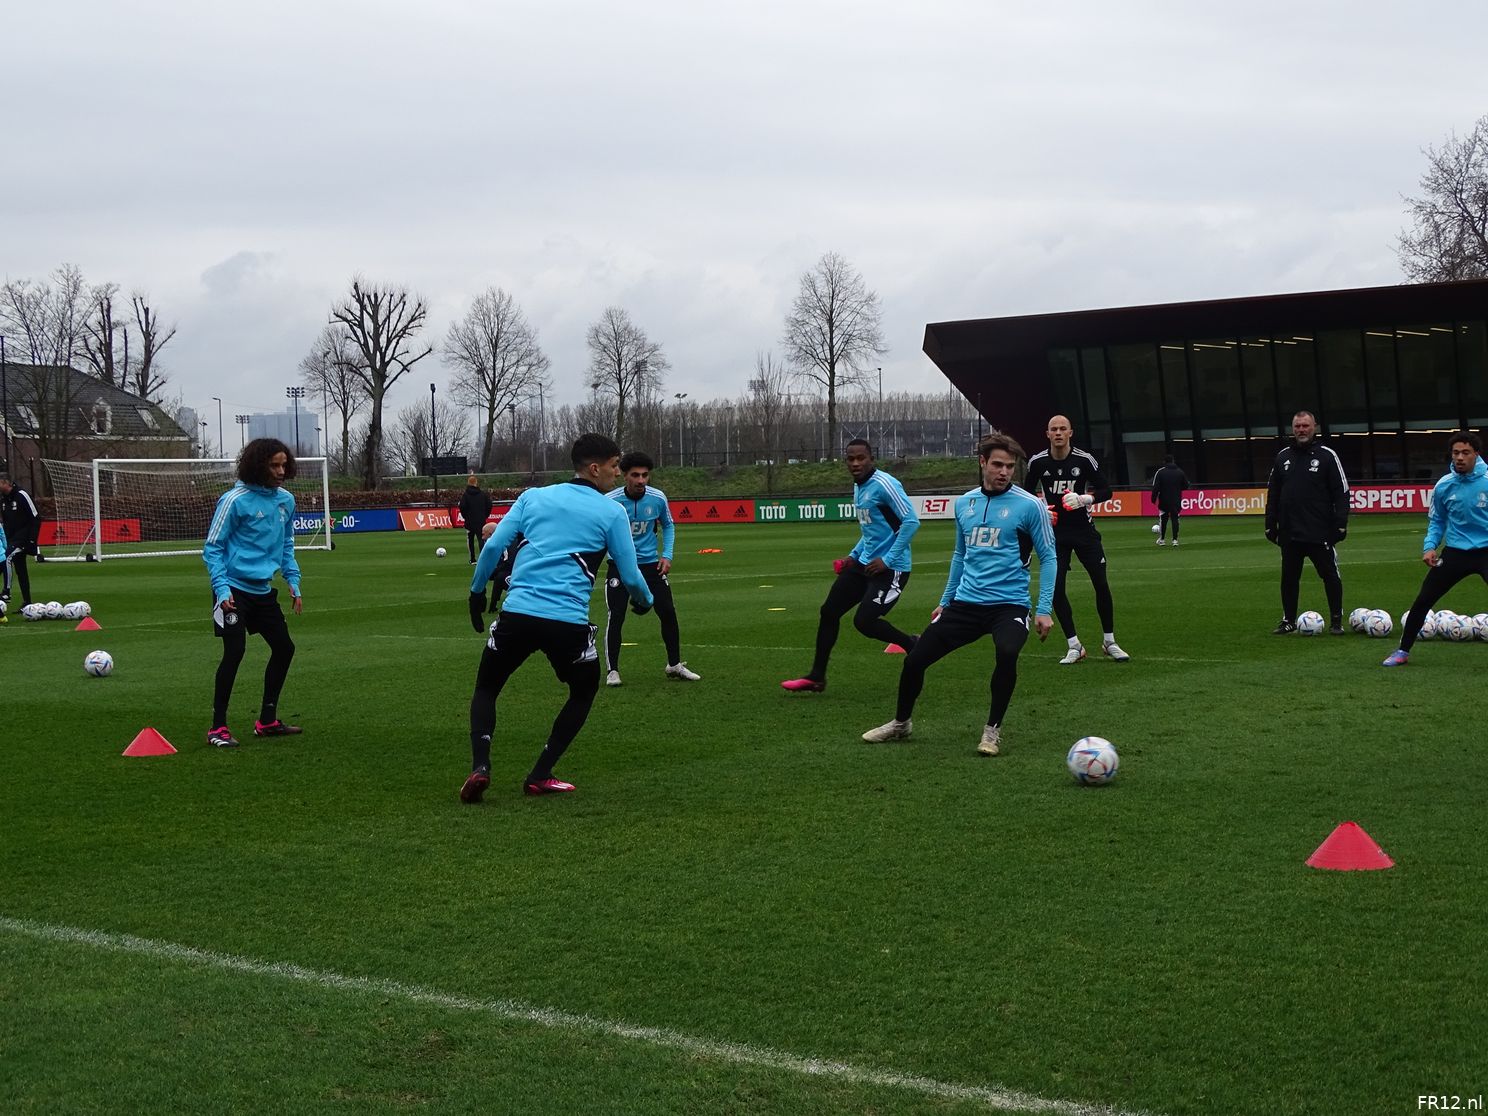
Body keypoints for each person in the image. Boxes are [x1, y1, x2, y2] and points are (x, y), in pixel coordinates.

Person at [459, 433, 653, 802]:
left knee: (487, 688)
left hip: (517, 614)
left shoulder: (533, 497)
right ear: (595, 469)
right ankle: (540, 774)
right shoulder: (612, 511)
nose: (617, 474)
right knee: (582, 691)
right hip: (567, 622)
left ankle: (480, 767)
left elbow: (496, 544)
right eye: (614, 468)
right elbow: (630, 576)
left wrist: (476, 591)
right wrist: (643, 602)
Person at [861, 433, 1055, 754]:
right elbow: (959, 555)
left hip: (1009, 606)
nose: (1004, 471)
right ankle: (900, 724)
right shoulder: (964, 503)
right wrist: (945, 601)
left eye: (1010, 466)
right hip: (965, 605)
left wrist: (1044, 608)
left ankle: (991, 731)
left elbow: (1049, 557)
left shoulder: (1030, 506)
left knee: (1007, 652)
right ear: (982, 462)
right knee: (915, 660)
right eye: (997, 464)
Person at [781, 438, 920, 693]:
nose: (855, 463)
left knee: (865, 622)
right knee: (829, 612)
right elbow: (871, 531)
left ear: (871, 459)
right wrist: (852, 556)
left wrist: (887, 560)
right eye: (850, 459)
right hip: (865, 564)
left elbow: (911, 522)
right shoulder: (859, 487)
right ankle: (817, 677)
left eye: (860, 458)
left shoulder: (885, 485)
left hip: (892, 568)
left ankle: (912, 644)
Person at [202, 439, 304, 748]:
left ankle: (267, 720)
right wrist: (221, 589)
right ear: (257, 465)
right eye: (274, 465)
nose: (281, 471)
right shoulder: (234, 500)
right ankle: (217, 728)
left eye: (284, 464)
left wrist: (293, 580)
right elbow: (213, 548)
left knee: (284, 648)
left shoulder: (286, 500)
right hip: (232, 589)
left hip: (262, 590)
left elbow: (286, 544)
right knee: (235, 652)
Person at [1023, 415, 1130, 664]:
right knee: (1057, 588)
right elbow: (1026, 493)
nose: (1058, 433)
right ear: (1047, 434)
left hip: (1084, 531)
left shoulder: (1084, 460)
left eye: (1063, 429)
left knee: (1101, 584)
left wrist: (1085, 499)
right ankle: (1074, 645)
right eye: (1053, 429)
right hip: (1054, 534)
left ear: (1071, 432)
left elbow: (1106, 490)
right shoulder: (1037, 462)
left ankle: (1110, 641)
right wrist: (1041, 508)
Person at [1382, 432, 1488, 666]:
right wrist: (1430, 547)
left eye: (1465, 453)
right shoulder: (1444, 485)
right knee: (1423, 600)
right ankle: (1402, 651)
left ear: (1476, 454)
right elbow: (1437, 520)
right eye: (1456, 452)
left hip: (1486, 551)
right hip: (1455, 553)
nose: (1460, 457)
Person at [603, 451, 700, 686]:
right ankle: (612, 671)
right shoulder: (610, 500)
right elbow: (599, 531)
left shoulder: (657, 498)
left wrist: (666, 555)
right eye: (635, 475)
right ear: (624, 475)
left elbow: (668, 525)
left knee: (668, 611)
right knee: (616, 615)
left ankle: (674, 665)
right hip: (620, 566)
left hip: (650, 565)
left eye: (645, 475)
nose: (641, 480)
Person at [1264, 410, 1349, 634]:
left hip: (1319, 531)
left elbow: (1341, 491)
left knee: (1330, 575)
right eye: (1297, 426)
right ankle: (1288, 620)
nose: (1301, 430)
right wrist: (1270, 524)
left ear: (1315, 427)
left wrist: (1340, 524)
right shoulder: (1283, 456)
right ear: (1293, 429)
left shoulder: (1327, 455)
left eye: (1305, 426)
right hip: (1290, 531)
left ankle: (1336, 621)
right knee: (1289, 578)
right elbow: (1273, 493)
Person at [0, 473, 40, 607]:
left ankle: (6, 592)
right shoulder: (4, 499)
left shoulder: (22, 495)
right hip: (12, 539)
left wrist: (32, 541)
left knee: (6, 558)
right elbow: (6, 522)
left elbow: (35, 517)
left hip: (23, 539)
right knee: (21, 570)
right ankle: (27, 603)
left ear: (7, 483)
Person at [1150, 454, 1190, 546]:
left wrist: (1153, 498)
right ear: (1173, 461)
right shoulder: (1180, 472)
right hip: (1176, 499)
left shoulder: (1160, 472)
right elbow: (1186, 485)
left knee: (1163, 518)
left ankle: (1162, 540)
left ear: (1164, 462)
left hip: (1164, 499)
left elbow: (1156, 487)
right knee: (1175, 518)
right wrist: (1177, 489)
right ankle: (1175, 540)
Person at [458, 474, 493, 564]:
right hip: (480, 520)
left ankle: (472, 559)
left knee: (470, 540)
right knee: (481, 539)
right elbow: (489, 505)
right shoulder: (482, 494)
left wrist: (466, 516)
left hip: (469, 521)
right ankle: (482, 558)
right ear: (476, 483)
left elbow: (462, 507)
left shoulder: (465, 495)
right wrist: (485, 515)